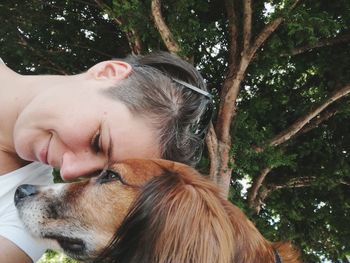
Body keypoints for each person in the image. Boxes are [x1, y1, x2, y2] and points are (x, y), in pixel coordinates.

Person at [0, 52, 213, 263]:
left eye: (96, 174)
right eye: (97, 141)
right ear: (107, 73)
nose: (68, 171)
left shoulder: (20, 224)